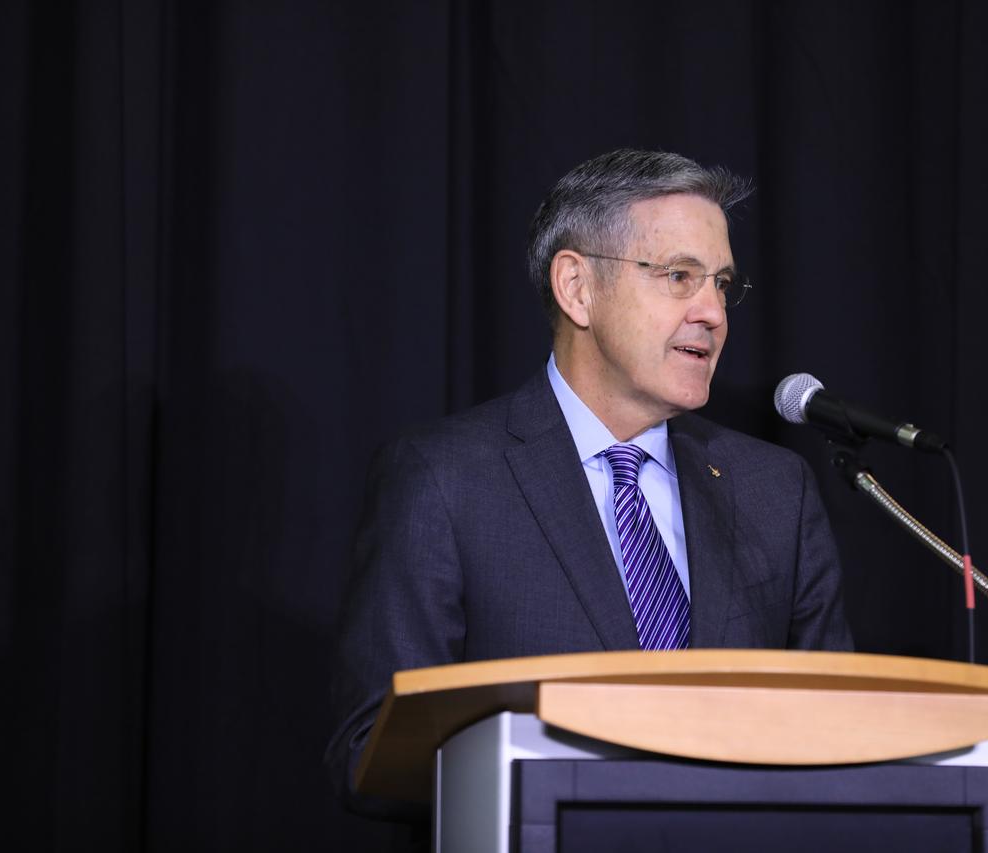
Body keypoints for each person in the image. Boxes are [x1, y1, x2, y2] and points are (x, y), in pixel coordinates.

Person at [325, 149, 853, 817]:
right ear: (578, 287)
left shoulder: (776, 488)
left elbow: (836, 732)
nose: (714, 311)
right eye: (680, 276)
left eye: (722, 283)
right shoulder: (445, 479)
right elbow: (368, 752)